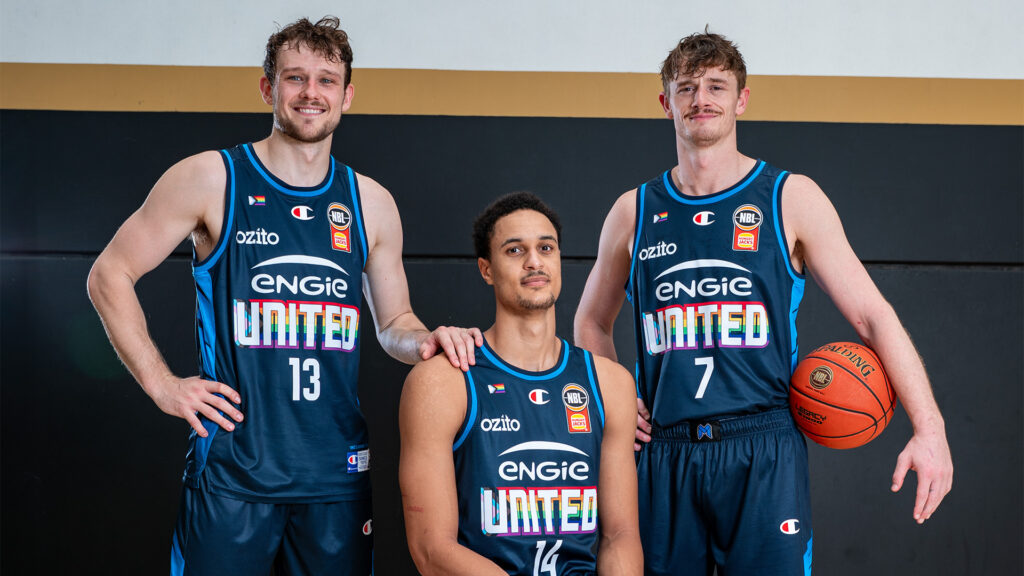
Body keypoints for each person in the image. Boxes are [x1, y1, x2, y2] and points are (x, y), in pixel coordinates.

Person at [87, 16, 481, 575]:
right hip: (233, 474)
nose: (311, 93)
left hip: (335, 477)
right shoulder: (211, 178)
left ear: (347, 95)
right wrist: (163, 384)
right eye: (295, 78)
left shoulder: (369, 202)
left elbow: (394, 320)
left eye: (326, 80)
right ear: (268, 88)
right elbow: (109, 274)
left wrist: (424, 340)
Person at [574, 29, 953, 575]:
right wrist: (611, 395)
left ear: (741, 99)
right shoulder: (632, 211)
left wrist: (930, 428)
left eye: (716, 86)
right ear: (666, 104)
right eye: (686, 88)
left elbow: (874, 315)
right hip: (663, 451)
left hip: (763, 448)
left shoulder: (790, 197)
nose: (701, 99)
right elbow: (590, 321)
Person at [399, 192, 643, 576]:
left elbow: (621, 535)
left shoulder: (610, 383)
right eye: (515, 250)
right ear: (487, 269)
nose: (534, 261)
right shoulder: (443, 380)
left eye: (546, 247)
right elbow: (431, 548)